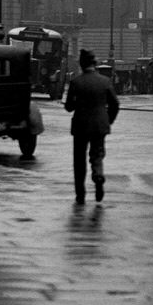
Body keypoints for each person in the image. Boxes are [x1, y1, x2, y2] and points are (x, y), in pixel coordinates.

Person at [64, 48, 119, 205]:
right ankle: (98, 176)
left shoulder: (76, 82)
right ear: (94, 64)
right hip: (100, 125)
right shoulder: (104, 81)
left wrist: (76, 102)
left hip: (81, 125)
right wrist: (108, 120)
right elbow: (115, 104)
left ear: (81, 64)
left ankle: (80, 194)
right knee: (97, 154)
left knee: (79, 160)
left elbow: (68, 107)